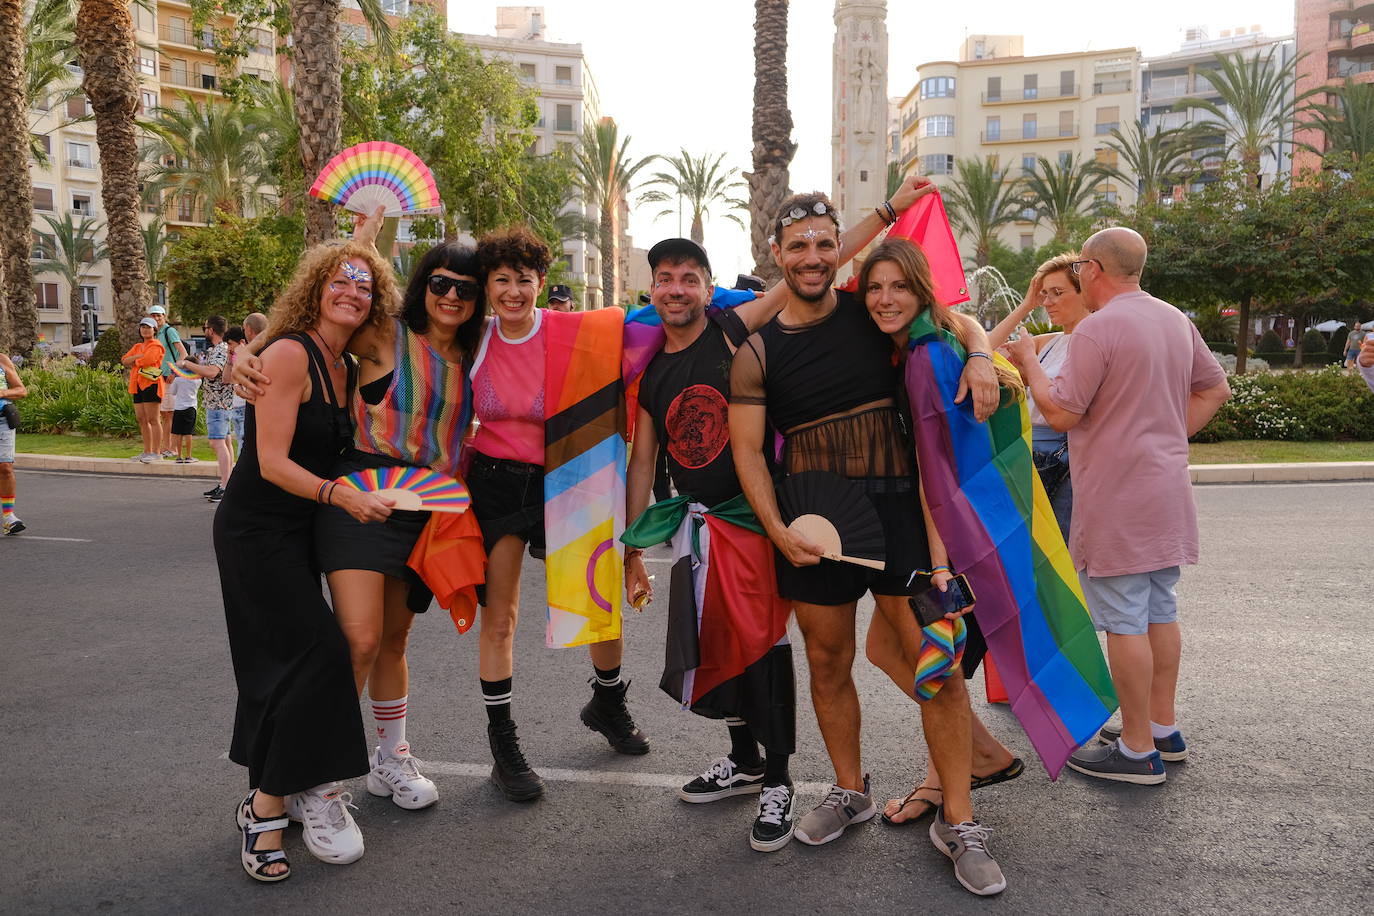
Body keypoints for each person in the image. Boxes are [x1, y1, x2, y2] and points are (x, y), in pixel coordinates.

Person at [728, 191, 1001, 863]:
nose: (813, 256)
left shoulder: (871, 309)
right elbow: (747, 453)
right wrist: (776, 530)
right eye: (799, 246)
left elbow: (954, 318)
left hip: (900, 514)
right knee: (827, 663)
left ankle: (959, 821)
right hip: (813, 528)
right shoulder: (756, 351)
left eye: (825, 243)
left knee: (937, 667)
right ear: (777, 255)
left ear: (838, 250)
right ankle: (849, 791)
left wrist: (981, 353)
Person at [1006, 227, 1231, 785]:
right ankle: (1160, 728)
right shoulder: (1174, 319)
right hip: (1165, 486)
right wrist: (1166, 435)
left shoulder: (1098, 328)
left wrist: (1030, 363)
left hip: (1116, 493)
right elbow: (1215, 389)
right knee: (1160, 609)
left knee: (1125, 619)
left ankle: (1136, 750)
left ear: (1092, 269)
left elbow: (1061, 413)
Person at [214, 240, 397, 882]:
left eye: (364, 286)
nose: (351, 293)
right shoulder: (290, 354)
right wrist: (341, 496)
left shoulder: (344, 364)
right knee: (319, 655)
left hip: (300, 532)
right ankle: (266, 808)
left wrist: (368, 236)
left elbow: (365, 262)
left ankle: (271, 793)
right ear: (315, 290)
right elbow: (269, 462)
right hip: (256, 530)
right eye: (338, 283)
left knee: (280, 667)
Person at [623, 238, 800, 851]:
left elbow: (802, 277)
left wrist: (886, 213)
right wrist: (632, 549)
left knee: (764, 644)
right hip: (695, 528)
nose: (676, 289)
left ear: (707, 286)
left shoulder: (729, 332)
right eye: (665, 278)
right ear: (652, 289)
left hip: (751, 519)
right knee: (715, 643)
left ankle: (778, 779)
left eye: (689, 278)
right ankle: (745, 760)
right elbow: (643, 463)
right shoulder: (651, 376)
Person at [466, 226, 648, 801]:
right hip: (494, 485)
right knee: (500, 618)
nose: (513, 291)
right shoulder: (471, 338)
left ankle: (608, 703)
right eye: (501, 280)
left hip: (570, 474)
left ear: (541, 282)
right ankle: (504, 746)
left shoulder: (575, 331)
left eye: (524, 279)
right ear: (486, 286)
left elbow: (664, 316)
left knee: (597, 600)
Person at [311, 233, 486, 813]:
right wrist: (249, 354)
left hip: (427, 508)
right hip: (361, 496)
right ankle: (317, 775)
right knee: (359, 639)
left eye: (466, 288)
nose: (451, 296)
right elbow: (307, 328)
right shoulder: (385, 334)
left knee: (393, 639)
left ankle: (390, 757)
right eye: (440, 282)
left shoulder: (479, 354)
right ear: (423, 285)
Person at [986, 253, 1093, 539]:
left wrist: (1029, 361)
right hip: (1031, 454)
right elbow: (982, 352)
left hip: (1066, 458)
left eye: (1058, 292)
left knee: (1061, 541)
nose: (1048, 302)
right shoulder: (1051, 342)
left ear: (1085, 292)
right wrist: (1026, 306)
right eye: (1045, 294)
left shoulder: (1095, 342)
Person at [179, 315, 234, 500]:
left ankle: (225, 486)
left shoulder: (220, 349)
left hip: (218, 403)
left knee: (217, 443)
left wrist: (188, 364)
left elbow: (212, 372)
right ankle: (227, 483)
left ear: (211, 330)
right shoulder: (220, 349)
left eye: (205, 328)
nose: (204, 331)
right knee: (225, 442)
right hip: (220, 403)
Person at [122, 317, 166, 463]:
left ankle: (157, 452)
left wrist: (135, 360)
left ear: (154, 330)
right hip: (137, 385)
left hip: (151, 384)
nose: (145, 330)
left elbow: (148, 360)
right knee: (142, 419)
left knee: (153, 419)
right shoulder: (137, 346)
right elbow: (124, 360)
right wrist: (138, 357)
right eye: (143, 327)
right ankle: (147, 451)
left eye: (148, 327)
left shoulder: (156, 345)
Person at [148, 304, 188, 459]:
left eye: (159, 315)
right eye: (153, 316)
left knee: (169, 414)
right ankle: (164, 447)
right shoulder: (154, 334)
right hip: (156, 377)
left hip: (168, 378)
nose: (156, 318)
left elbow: (183, 353)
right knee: (162, 414)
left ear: (164, 316)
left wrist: (174, 371)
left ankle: (171, 448)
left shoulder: (169, 331)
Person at [0, 353, 27, 535]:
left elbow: (21, 390)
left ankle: (9, 517)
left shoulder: (2, 360)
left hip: (2, 419)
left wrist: (2, 392)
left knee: (5, 467)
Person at [168, 353, 201, 464]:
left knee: (178, 433)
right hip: (191, 407)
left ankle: (179, 456)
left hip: (178, 408)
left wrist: (174, 379)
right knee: (188, 433)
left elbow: (172, 392)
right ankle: (189, 456)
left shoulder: (178, 380)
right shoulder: (197, 380)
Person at [224, 326, 248, 459]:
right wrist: (229, 359)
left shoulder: (248, 358)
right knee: (240, 442)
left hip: (245, 406)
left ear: (241, 342)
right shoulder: (233, 358)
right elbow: (226, 379)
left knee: (244, 445)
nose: (229, 348)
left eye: (230, 344)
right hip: (236, 406)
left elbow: (238, 379)